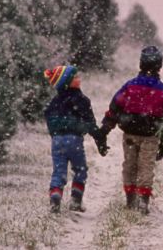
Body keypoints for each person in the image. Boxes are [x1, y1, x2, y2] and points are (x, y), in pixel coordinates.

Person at [99, 46, 163, 214]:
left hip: (130, 133)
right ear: (159, 67)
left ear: (140, 64)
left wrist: (105, 128)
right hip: (150, 136)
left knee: (129, 166)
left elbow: (115, 107)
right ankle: (143, 201)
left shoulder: (130, 86)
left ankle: (130, 199)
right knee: (146, 166)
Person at [44, 65, 108, 214]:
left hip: (57, 141)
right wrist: (100, 141)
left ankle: (55, 200)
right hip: (74, 141)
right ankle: (75, 201)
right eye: (75, 77)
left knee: (58, 172)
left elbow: (49, 118)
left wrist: (56, 133)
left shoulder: (53, 102)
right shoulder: (81, 100)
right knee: (80, 170)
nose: (79, 79)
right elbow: (91, 124)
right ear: (67, 82)